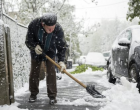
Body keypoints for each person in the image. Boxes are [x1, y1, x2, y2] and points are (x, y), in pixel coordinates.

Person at [25, 13, 68, 104]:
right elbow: (28, 40)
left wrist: (61, 61)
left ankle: (52, 96)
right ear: (43, 24)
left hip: (50, 51)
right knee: (34, 72)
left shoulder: (58, 28)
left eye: (53, 27)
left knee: (51, 72)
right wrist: (34, 46)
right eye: (49, 28)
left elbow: (62, 46)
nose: (52, 30)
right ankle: (33, 94)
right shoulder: (34, 25)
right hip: (37, 51)